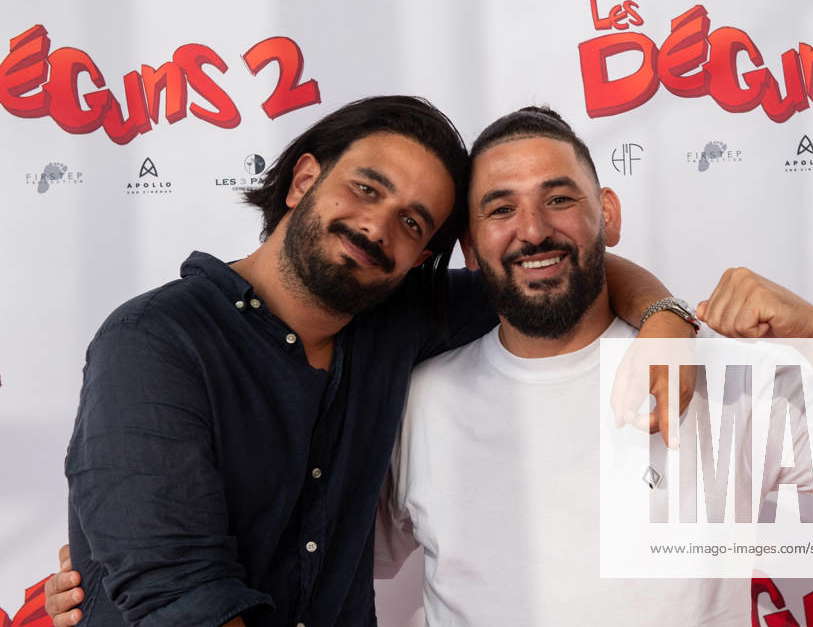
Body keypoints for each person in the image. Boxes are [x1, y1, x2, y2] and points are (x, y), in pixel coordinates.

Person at [43, 97, 695, 626]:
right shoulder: (156, 341)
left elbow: (553, 266)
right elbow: (181, 598)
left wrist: (664, 316)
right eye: (365, 188)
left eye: (414, 223)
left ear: (424, 258)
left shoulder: (397, 318)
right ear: (303, 180)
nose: (378, 226)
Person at [369, 107, 813, 624]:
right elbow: (341, 562)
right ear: (470, 246)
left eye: (560, 198)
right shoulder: (421, 401)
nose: (534, 229)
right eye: (501, 208)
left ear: (608, 215)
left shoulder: (728, 379)